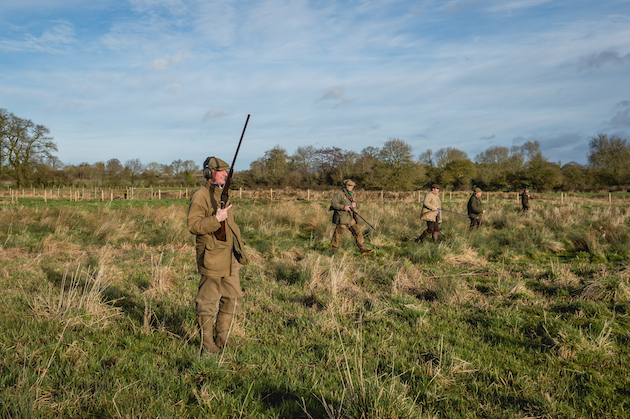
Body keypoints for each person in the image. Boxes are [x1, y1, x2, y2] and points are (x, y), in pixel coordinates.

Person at [187, 156, 248, 354]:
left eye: (226, 171)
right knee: (207, 301)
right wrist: (215, 219)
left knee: (233, 297)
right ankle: (207, 344)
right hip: (211, 256)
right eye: (221, 171)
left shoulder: (222, 195)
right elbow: (193, 226)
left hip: (228, 257)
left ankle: (222, 338)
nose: (225, 174)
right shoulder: (201, 196)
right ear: (209, 173)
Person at [330, 179, 373, 255]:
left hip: (350, 217)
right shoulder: (340, 194)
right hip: (342, 218)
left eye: (353, 186)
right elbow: (333, 204)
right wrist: (343, 207)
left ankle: (362, 249)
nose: (352, 188)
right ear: (347, 186)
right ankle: (333, 252)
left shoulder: (349, 194)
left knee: (357, 232)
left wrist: (353, 204)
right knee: (338, 235)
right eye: (351, 186)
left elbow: (348, 202)